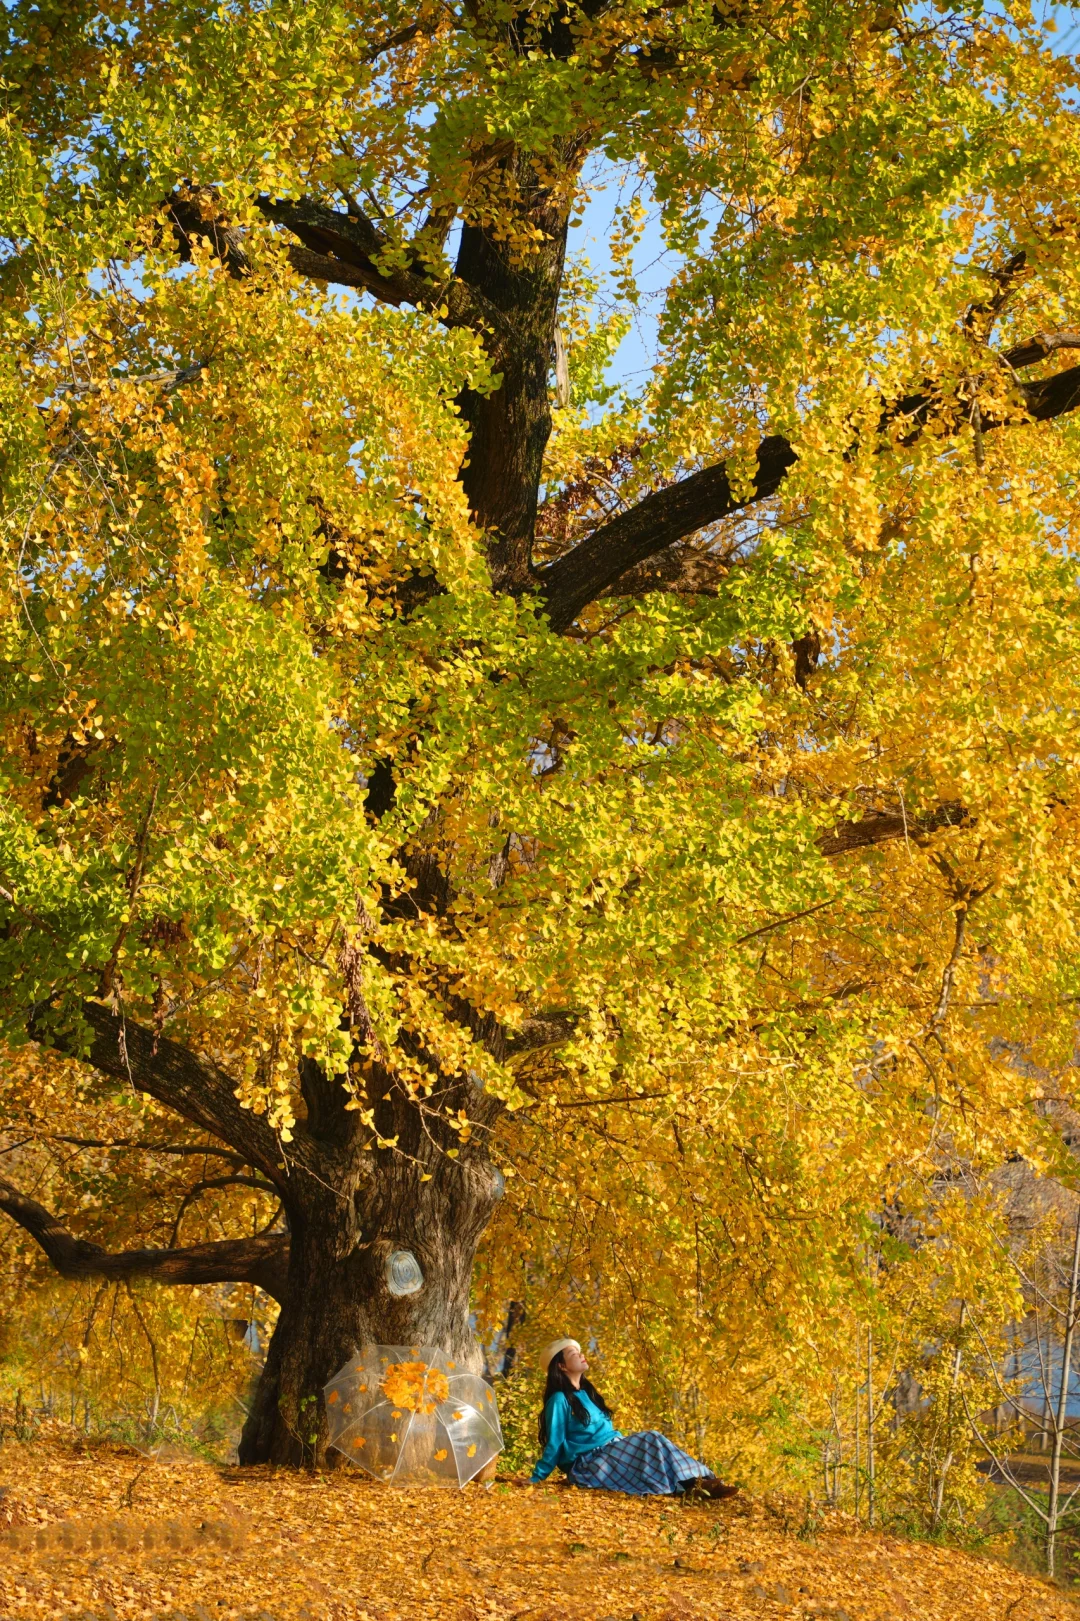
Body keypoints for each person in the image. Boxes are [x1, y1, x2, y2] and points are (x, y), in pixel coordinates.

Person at [529, 1338, 738, 1498]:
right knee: (651, 1438)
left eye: (581, 1351)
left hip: (611, 1452)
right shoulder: (559, 1399)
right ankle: (695, 1484)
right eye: (573, 1353)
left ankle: (699, 1483)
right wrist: (536, 1478)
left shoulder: (587, 1394)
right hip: (590, 1464)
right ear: (561, 1366)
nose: (582, 1355)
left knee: (654, 1448)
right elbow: (555, 1443)